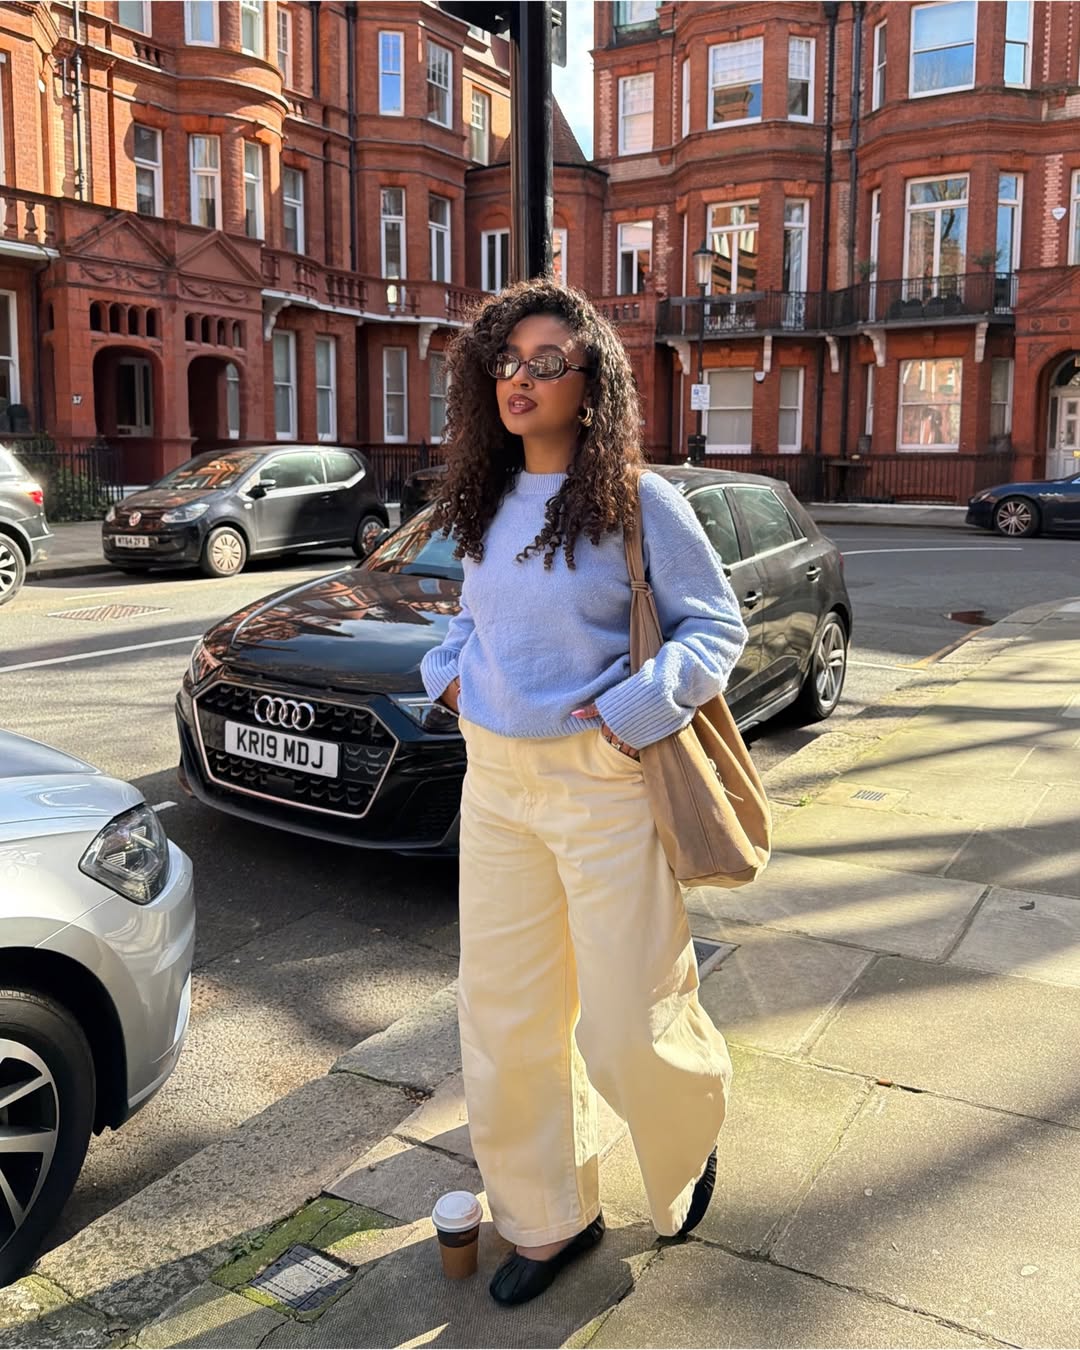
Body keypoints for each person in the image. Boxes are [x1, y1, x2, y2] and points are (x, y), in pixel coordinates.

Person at [420, 280, 748, 1308]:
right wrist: (449, 678)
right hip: (495, 781)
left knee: (626, 1017)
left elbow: (716, 627)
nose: (520, 378)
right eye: (506, 362)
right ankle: (547, 1215)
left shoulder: (640, 501)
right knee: (504, 1016)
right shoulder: (483, 498)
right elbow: (468, 622)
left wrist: (632, 711)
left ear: (591, 382)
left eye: (547, 362)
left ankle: (686, 1139)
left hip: (600, 781)